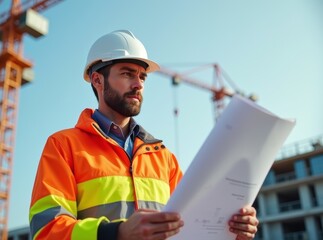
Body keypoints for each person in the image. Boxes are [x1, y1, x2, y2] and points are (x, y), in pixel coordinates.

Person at [29, 30, 258, 240]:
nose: (138, 84)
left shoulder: (163, 156)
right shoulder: (63, 146)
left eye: (142, 77)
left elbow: (190, 230)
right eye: (128, 74)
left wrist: (230, 231)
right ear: (98, 80)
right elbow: (46, 230)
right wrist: (117, 233)